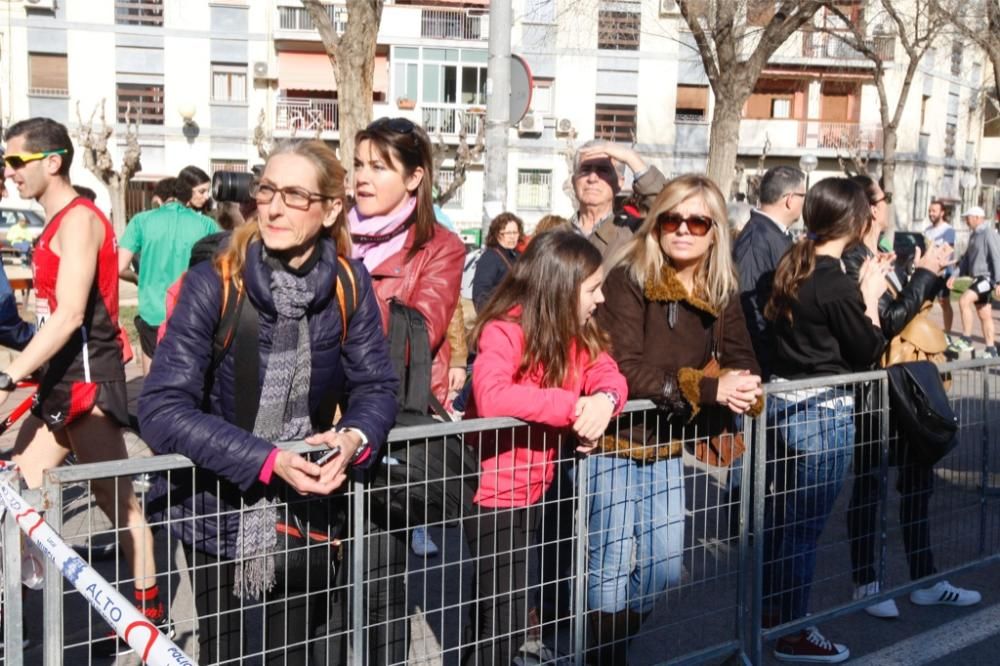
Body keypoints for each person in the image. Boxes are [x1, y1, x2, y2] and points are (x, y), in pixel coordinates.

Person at [138, 139, 398, 664]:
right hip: (215, 502)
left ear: (329, 211)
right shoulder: (215, 282)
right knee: (227, 652)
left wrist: (354, 439)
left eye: (296, 195)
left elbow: (376, 386)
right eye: (268, 190)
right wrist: (268, 459)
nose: (274, 207)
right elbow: (162, 407)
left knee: (295, 649)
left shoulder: (349, 283)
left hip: (307, 506)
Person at [0, 117, 166, 656]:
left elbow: (70, 315)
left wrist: (10, 371)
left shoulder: (79, 221)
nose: (8, 173)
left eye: (15, 162)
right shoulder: (53, 222)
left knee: (122, 510)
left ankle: (149, 632)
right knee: (15, 496)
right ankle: (21, 605)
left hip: (88, 387)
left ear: (52, 161)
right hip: (59, 381)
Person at [591, 174, 761, 663]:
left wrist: (746, 388)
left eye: (697, 221)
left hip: (667, 445)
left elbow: (742, 357)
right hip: (613, 443)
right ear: (656, 222)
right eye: (672, 218)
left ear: (715, 231)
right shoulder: (629, 276)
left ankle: (604, 652)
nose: (683, 229)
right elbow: (626, 370)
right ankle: (603, 659)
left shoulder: (719, 286)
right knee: (609, 570)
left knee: (665, 570)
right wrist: (711, 389)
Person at [464, 229, 627, 665]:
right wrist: (574, 407)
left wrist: (604, 402)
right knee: (504, 618)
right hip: (491, 495)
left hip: (537, 489)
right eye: (592, 288)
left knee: (497, 615)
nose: (601, 299)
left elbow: (611, 375)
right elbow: (493, 395)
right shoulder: (505, 329)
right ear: (561, 286)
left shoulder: (579, 333)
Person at [842, 175, 979, 620]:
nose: (888, 207)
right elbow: (890, 322)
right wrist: (923, 275)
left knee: (917, 486)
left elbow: (913, 311)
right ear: (869, 207)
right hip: (877, 392)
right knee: (871, 488)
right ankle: (869, 583)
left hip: (908, 388)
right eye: (884, 200)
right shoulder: (852, 259)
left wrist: (927, 274)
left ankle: (926, 580)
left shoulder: (878, 252)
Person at [763, 177, 888, 663]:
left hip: (789, 407)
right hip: (824, 415)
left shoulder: (795, 264)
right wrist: (871, 297)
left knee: (785, 524)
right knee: (803, 530)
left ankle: (776, 614)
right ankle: (794, 632)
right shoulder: (834, 280)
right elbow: (869, 351)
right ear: (856, 222)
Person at [349, 117, 464, 630]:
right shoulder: (330, 231)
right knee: (316, 593)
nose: (361, 178)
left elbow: (417, 336)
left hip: (385, 427)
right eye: (357, 164)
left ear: (415, 178)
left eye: (379, 166)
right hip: (314, 421)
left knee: (376, 588)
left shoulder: (438, 246)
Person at [118, 177, 218, 371]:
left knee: (151, 378)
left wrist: (138, 279)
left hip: (152, 313)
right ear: (186, 197)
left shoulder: (141, 221)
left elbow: (120, 267)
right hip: (191, 312)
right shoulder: (206, 224)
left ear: (157, 199)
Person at [732, 165, 806, 379]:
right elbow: (749, 305)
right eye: (803, 196)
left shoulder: (772, 234)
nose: (804, 202)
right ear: (790, 199)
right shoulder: (757, 238)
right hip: (761, 367)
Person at [569, 140, 667, 259]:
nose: (592, 178)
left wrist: (630, 157)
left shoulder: (632, 232)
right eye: (585, 170)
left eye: (603, 170)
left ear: (620, 183)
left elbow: (670, 209)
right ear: (574, 182)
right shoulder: (556, 235)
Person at [946, 206, 1000, 357]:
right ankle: (991, 349)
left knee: (964, 300)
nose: (966, 220)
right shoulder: (973, 236)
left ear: (977, 218)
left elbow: (997, 257)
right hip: (978, 278)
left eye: (968, 217)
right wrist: (954, 276)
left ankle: (966, 339)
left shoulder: (988, 233)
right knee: (985, 314)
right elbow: (966, 260)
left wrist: (998, 281)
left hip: (987, 279)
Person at [472, 212, 523, 311]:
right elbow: (480, 294)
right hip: (498, 315)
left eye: (515, 232)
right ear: (497, 234)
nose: (512, 237)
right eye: (508, 233)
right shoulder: (490, 258)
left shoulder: (518, 255)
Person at [925, 200, 956, 334]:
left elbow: (948, 251)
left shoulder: (948, 230)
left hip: (943, 273)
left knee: (944, 302)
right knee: (924, 303)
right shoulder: (927, 230)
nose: (931, 213)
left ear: (942, 213)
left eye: (934, 211)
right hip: (928, 272)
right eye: (930, 211)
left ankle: (947, 333)